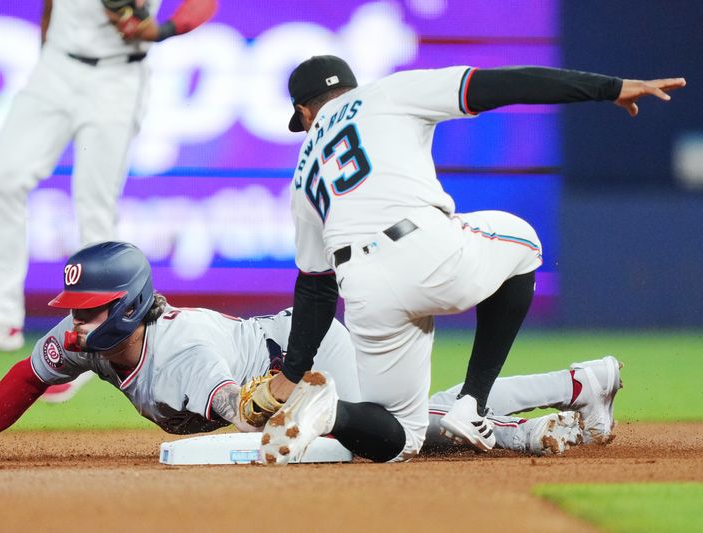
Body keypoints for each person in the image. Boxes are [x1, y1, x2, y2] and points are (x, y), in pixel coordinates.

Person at [249, 56, 684, 465]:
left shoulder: (303, 174)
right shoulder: (388, 92)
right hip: (425, 251)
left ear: (305, 113)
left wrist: (292, 374)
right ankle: (472, 402)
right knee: (525, 242)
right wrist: (608, 88)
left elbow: (315, 287)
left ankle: (332, 412)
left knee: (400, 435)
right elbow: (505, 84)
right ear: (349, 88)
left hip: (361, 287)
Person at [0, 242, 622, 461]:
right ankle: (578, 383)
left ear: (125, 305)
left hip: (306, 357)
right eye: (73, 307)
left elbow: (240, 406)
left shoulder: (179, 349)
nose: (74, 320)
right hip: (284, 351)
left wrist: (268, 400)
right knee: (421, 408)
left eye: (88, 306)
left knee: (399, 436)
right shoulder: (87, 343)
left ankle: (527, 431)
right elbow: (25, 375)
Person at [0, 0, 217, 351]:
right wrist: (46, 47)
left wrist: (163, 30)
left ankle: (89, 340)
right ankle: (0, 318)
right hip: (56, 66)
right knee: (3, 182)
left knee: (94, 209)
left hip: (116, 75)